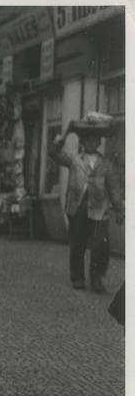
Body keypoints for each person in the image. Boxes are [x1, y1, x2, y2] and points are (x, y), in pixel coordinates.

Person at [48, 116, 124, 293]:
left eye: (94, 140)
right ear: (82, 142)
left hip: (99, 209)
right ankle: (77, 278)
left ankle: (97, 279)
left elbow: (114, 189)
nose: (90, 143)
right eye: (87, 140)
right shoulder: (74, 159)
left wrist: (120, 209)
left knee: (100, 247)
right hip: (78, 207)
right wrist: (64, 136)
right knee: (78, 245)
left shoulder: (106, 164)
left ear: (98, 143)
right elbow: (53, 153)